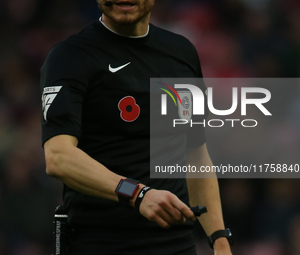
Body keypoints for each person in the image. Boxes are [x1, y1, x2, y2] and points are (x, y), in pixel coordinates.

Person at [40, 0, 233, 254]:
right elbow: (58, 157)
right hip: (101, 242)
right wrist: (137, 194)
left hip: (176, 244)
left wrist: (219, 240)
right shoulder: (70, 57)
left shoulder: (181, 53)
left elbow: (195, 154)